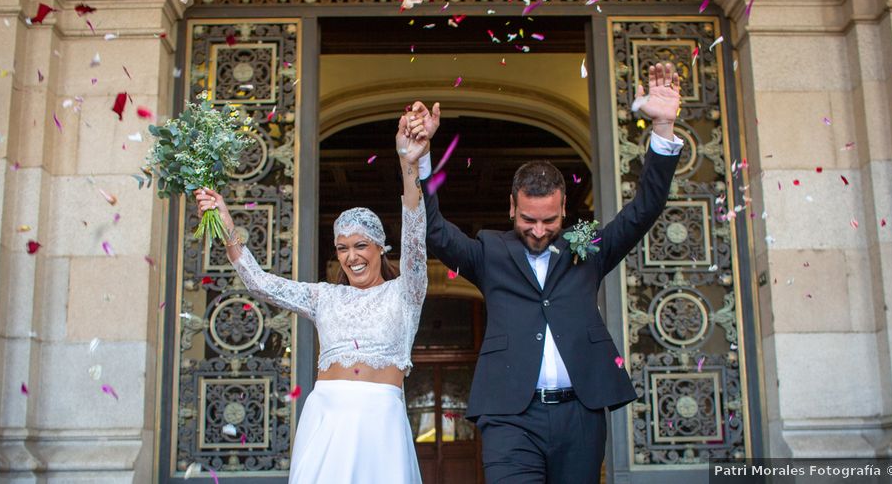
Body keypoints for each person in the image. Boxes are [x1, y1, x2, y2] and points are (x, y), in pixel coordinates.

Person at [405, 62, 685, 483]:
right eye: (528, 220)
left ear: (565, 210)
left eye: (549, 220)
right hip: (509, 417)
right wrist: (420, 162)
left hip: (581, 414)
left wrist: (662, 129)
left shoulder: (589, 250)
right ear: (512, 208)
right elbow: (436, 233)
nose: (538, 231)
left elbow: (643, 210)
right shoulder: (490, 253)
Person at [194, 114, 431, 483]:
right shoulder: (325, 296)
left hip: (379, 420)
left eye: (360, 246)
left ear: (381, 247)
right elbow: (259, 283)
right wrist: (225, 221)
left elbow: (415, 234)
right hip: (326, 415)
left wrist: (408, 165)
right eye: (342, 248)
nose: (351, 256)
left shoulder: (406, 292)